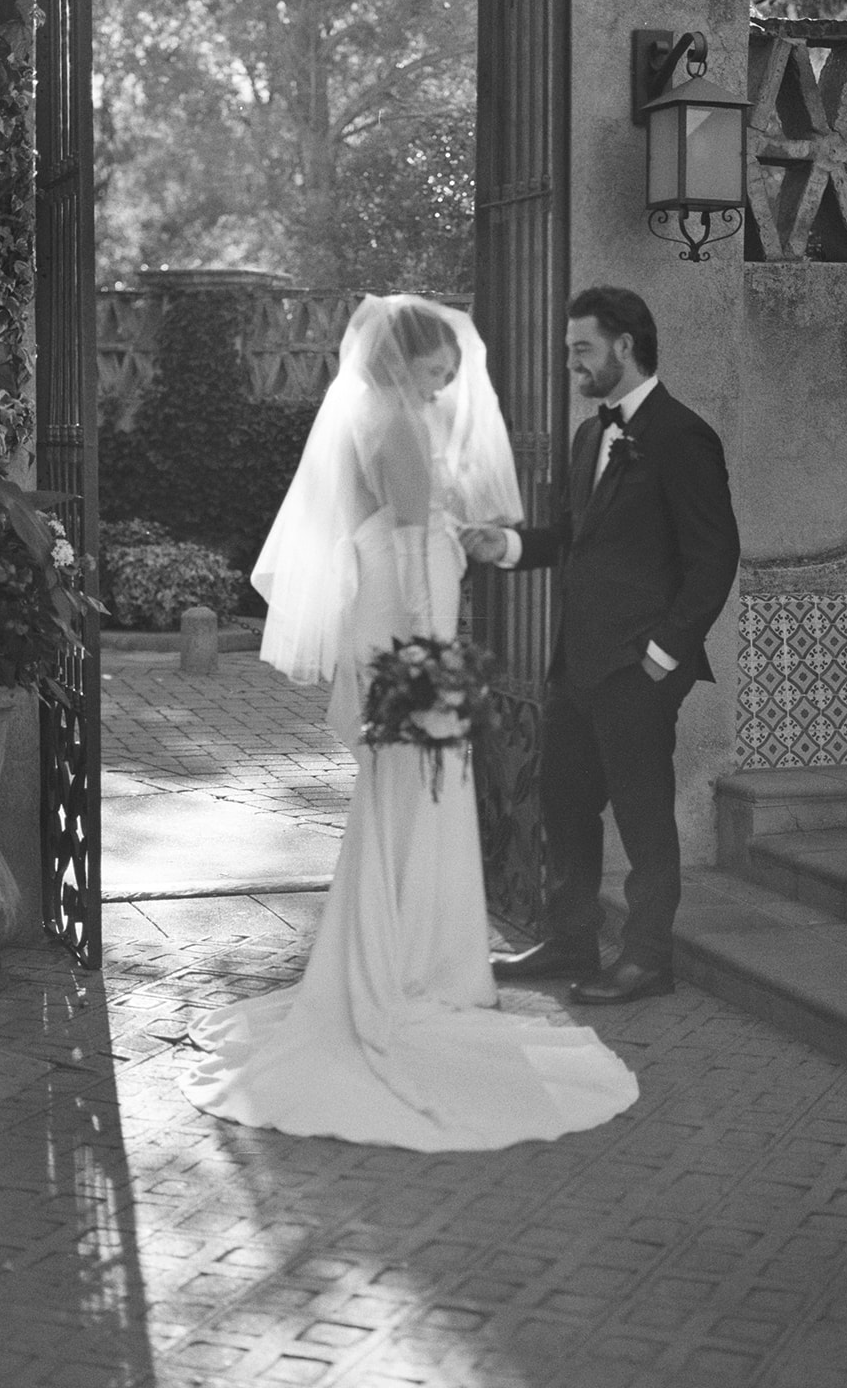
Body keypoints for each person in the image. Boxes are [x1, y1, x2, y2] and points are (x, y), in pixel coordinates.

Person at [182, 295, 638, 1150]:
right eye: (439, 372)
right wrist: (437, 652)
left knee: (401, 800)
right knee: (414, 797)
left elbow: (414, 529)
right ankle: (411, 969)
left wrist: (453, 548)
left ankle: (403, 958)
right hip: (409, 632)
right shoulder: (396, 424)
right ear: (406, 362)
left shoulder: (383, 418)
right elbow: (407, 548)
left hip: (395, 627)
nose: (447, 389)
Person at [461, 286, 740, 1006]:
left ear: (623, 346)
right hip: (575, 665)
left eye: (580, 349)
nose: (569, 363)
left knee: (643, 817)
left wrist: (662, 658)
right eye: (567, 350)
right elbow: (570, 539)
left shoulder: (683, 436)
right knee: (564, 806)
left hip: (637, 671)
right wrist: (508, 544)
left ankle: (648, 958)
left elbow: (713, 558)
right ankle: (570, 940)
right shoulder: (589, 436)